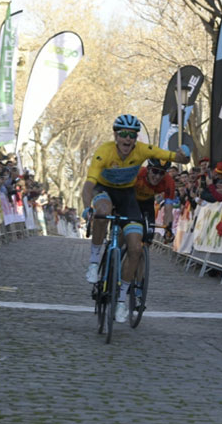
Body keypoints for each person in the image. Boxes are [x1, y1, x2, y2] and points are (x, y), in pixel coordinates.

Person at [82, 114, 189, 322]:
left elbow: (173, 156)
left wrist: (183, 155)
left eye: (132, 135)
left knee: (137, 248)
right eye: (123, 134)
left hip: (128, 198)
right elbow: (88, 187)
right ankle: (94, 262)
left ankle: (122, 300)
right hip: (103, 191)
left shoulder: (143, 151)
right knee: (103, 211)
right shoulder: (104, 152)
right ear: (115, 135)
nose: (127, 139)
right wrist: (87, 208)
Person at [134, 158, 177, 237]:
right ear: (148, 169)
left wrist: (168, 229)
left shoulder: (169, 182)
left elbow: (168, 210)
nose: (158, 176)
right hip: (131, 199)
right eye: (155, 171)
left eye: (162, 173)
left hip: (147, 202)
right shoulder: (138, 173)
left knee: (148, 235)